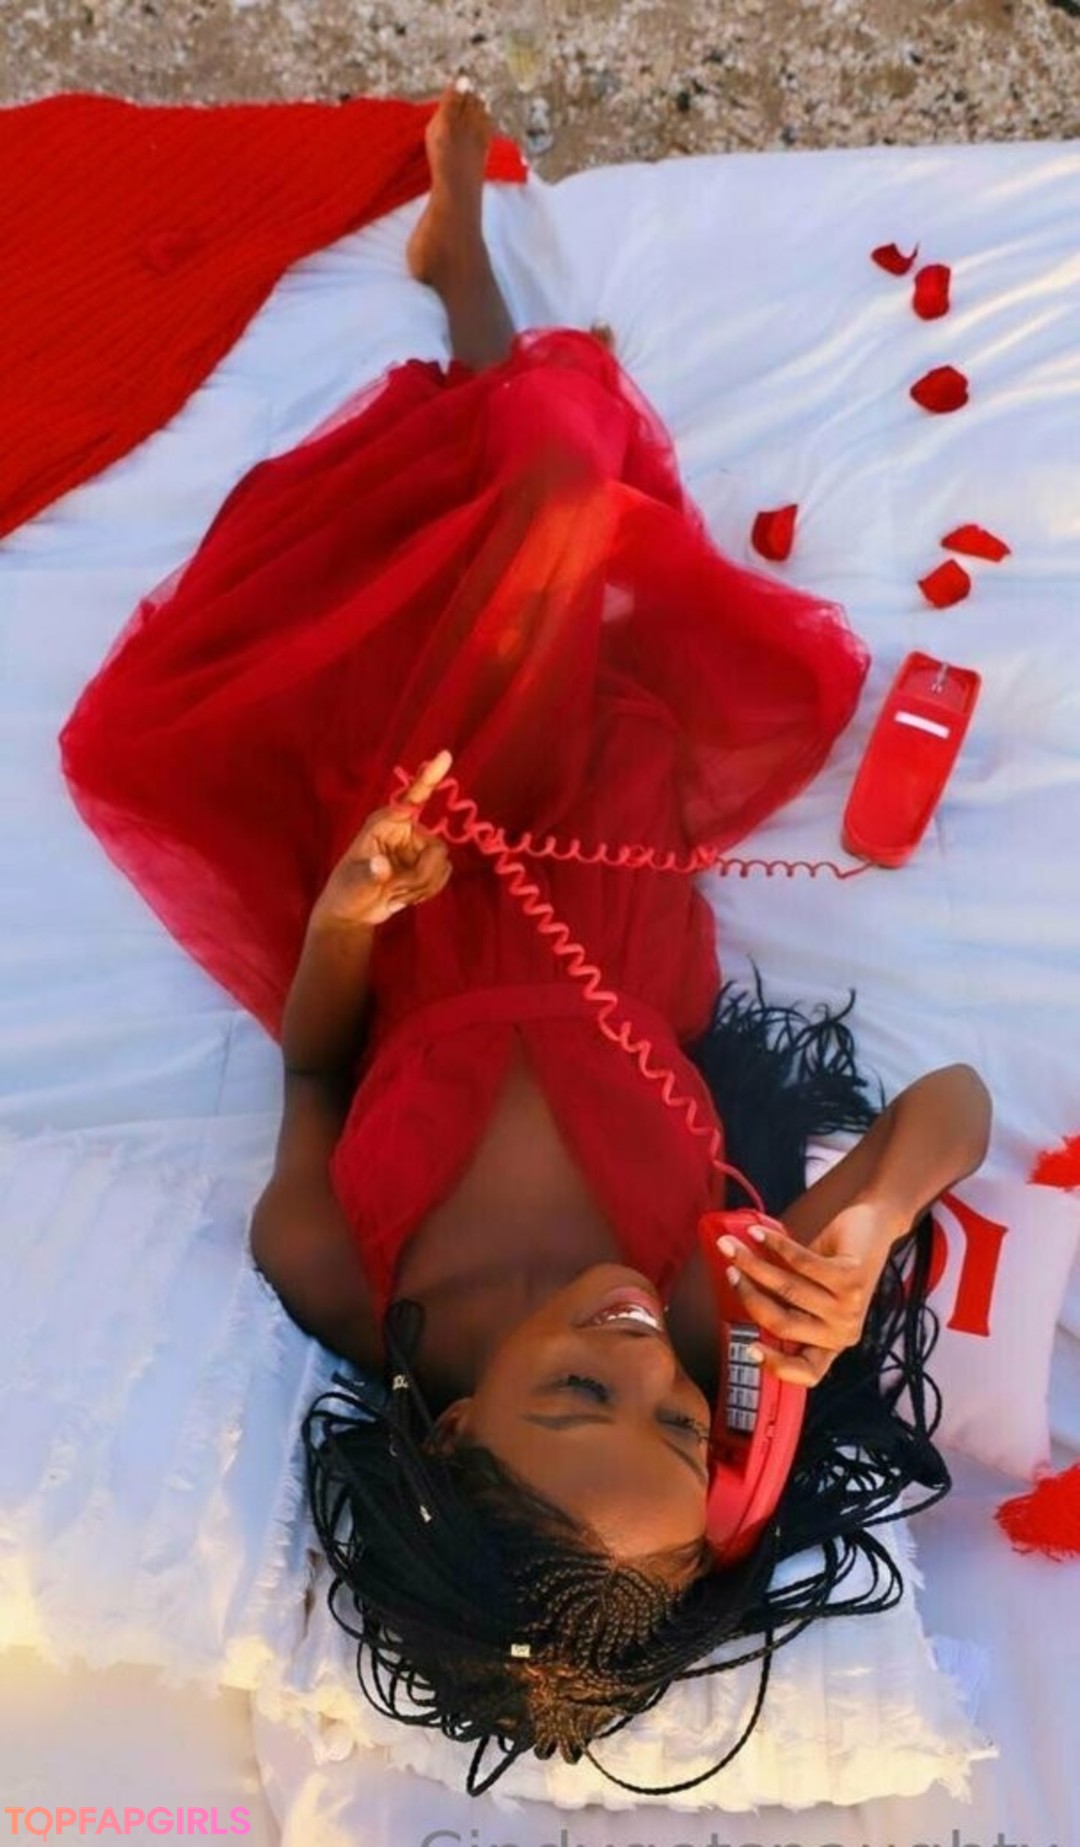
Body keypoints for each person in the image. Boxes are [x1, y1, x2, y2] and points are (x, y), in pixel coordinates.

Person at [58, 81, 992, 1796]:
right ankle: (500, 339)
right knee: (561, 520)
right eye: (675, 1424)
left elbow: (316, 1064)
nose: (637, 1357)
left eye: (577, 1396)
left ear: (447, 1431)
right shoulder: (712, 1315)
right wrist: (870, 1217)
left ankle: (480, 305)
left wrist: (348, 908)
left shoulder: (344, 1276)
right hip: (602, 858)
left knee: (538, 519)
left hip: (411, 867)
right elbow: (957, 1104)